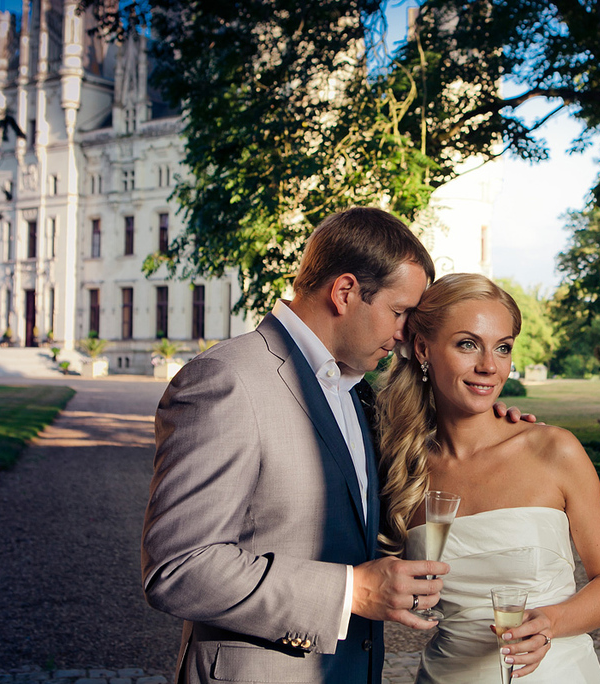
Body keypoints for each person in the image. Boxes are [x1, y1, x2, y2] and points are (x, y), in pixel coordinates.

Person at [141, 208, 449, 684]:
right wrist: (351, 592)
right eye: (399, 311)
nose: (405, 333)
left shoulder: (357, 391)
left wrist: (498, 431)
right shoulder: (227, 380)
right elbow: (179, 568)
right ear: (345, 292)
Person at [376, 273, 600, 683]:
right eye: (467, 344)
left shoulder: (553, 450)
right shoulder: (398, 463)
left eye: (503, 348)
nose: (489, 367)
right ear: (423, 348)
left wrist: (550, 621)